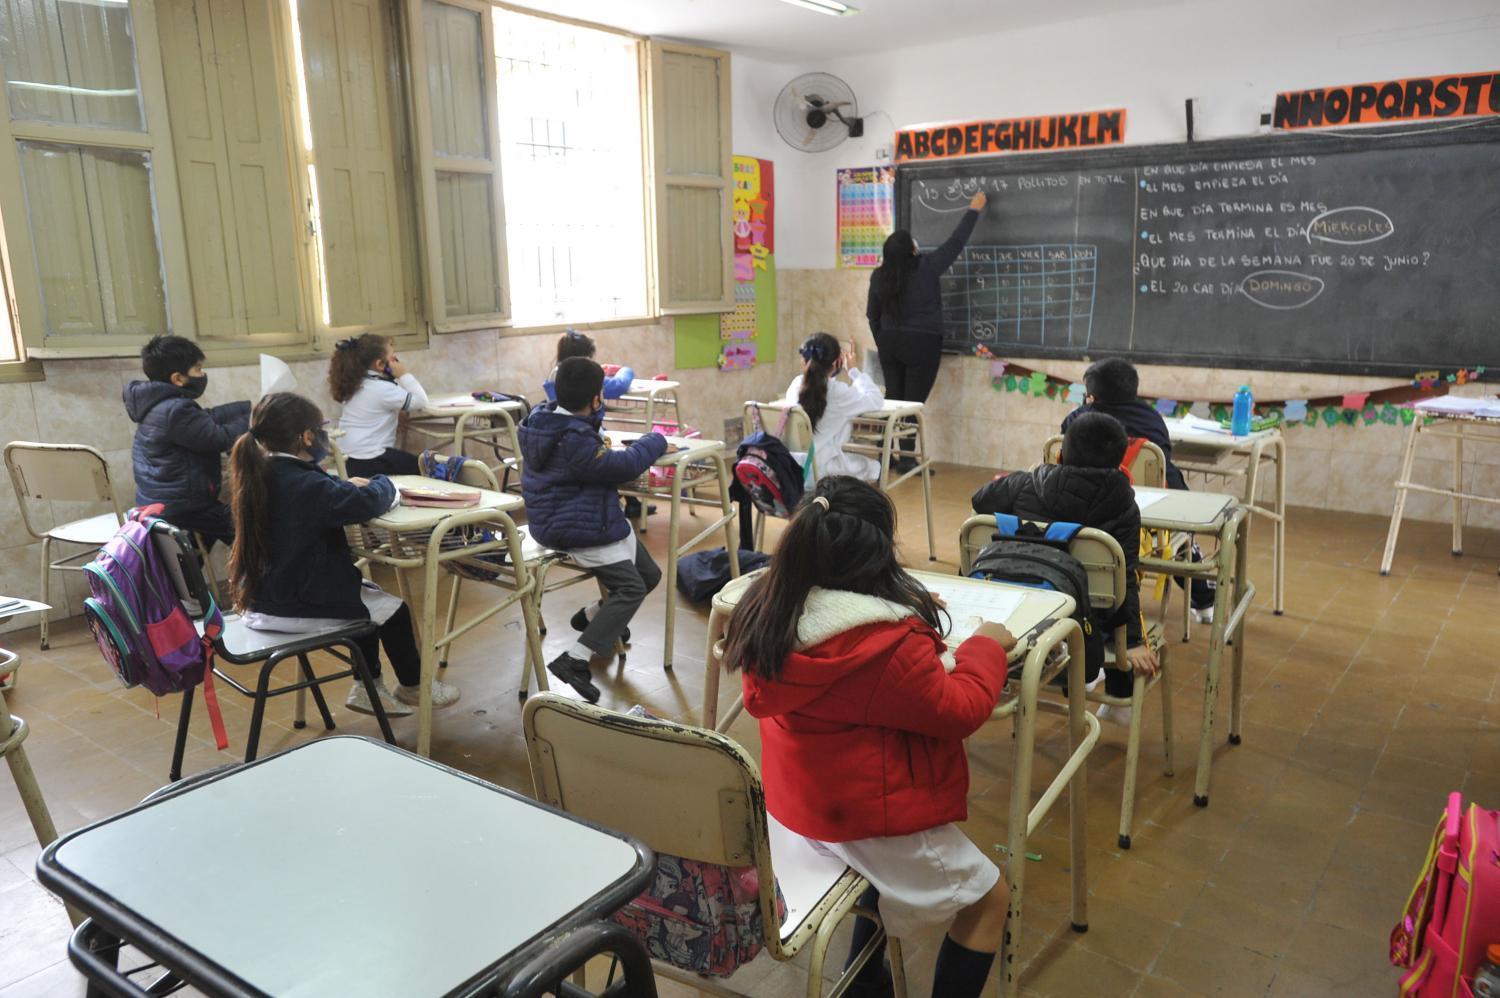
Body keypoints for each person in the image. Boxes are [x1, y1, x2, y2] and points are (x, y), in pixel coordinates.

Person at [723, 476, 1013, 998]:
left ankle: (863, 977)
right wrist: (985, 647)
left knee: (879, 880)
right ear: (879, 553)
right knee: (989, 900)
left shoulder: (766, 613)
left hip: (797, 810)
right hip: (867, 819)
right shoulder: (886, 647)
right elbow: (962, 708)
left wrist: (902, 609)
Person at [226, 392, 460, 717]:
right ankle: (413, 687)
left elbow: (317, 498)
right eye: (320, 428)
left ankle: (368, 686)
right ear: (307, 436)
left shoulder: (258, 476)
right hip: (298, 607)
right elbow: (369, 502)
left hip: (261, 602)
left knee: (366, 598)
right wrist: (382, 483)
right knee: (392, 610)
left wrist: (344, 486)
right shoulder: (309, 486)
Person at [970, 412, 1159, 723]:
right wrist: (1134, 642)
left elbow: (979, 501)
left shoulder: (1023, 485)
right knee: (1109, 598)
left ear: (1059, 454)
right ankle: (1117, 691)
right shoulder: (1124, 506)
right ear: (1121, 464)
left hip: (1015, 608)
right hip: (1083, 622)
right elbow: (1125, 579)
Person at [518, 357, 665, 703]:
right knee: (630, 588)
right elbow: (625, 466)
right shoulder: (574, 441)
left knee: (649, 575)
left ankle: (591, 618)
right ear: (597, 398)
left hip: (574, 514)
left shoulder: (551, 422)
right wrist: (655, 440)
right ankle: (575, 660)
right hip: (574, 524)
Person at [1062, 357, 1215, 620]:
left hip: (1086, 511)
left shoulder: (1079, 418)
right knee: (1178, 538)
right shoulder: (1152, 419)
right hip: (1153, 515)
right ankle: (1204, 600)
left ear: (1092, 396)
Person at [867, 190, 987, 472]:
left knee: (892, 400)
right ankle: (907, 460)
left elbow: (872, 315)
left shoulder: (879, 275)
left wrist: (883, 340)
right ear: (912, 250)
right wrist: (973, 210)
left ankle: (883, 456)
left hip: (890, 342)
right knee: (910, 405)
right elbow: (955, 243)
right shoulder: (927, 266)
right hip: (922, 344)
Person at [124, 334, 252, 548]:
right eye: (198, 369)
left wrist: (246, 408)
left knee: (202, 539)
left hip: (161, 500)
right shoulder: (176, 409)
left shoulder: (159, 404)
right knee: (247, 532)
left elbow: (205, 419)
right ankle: (264, 577)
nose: (202, 375)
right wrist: (253, 423)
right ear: (178, 379)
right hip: (183, 505)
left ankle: (186, 575)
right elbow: (218, 438)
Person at [784, 332, 884, 482]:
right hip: (817, 472)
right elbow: (876, 399)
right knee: (872, 467)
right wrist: (853, 370)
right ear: (836, 363)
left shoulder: (795, 385)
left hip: (788, 469)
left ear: (804, 361)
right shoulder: (838, 393)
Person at [328, 333, 428, 478]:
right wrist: (404, 374)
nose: (396, 362)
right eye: (393, 358)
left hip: (348, 460)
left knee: (409, 461)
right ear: (380, 365)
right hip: (371, 459)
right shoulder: (382, 388)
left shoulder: (356, 383)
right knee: (426, 468)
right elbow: (421, 401)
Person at [542, 328, 635, 402]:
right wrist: (625, 370)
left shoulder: (555, 373)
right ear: (585, 357)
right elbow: (618, 387)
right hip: (581, 424)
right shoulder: (584, 375)